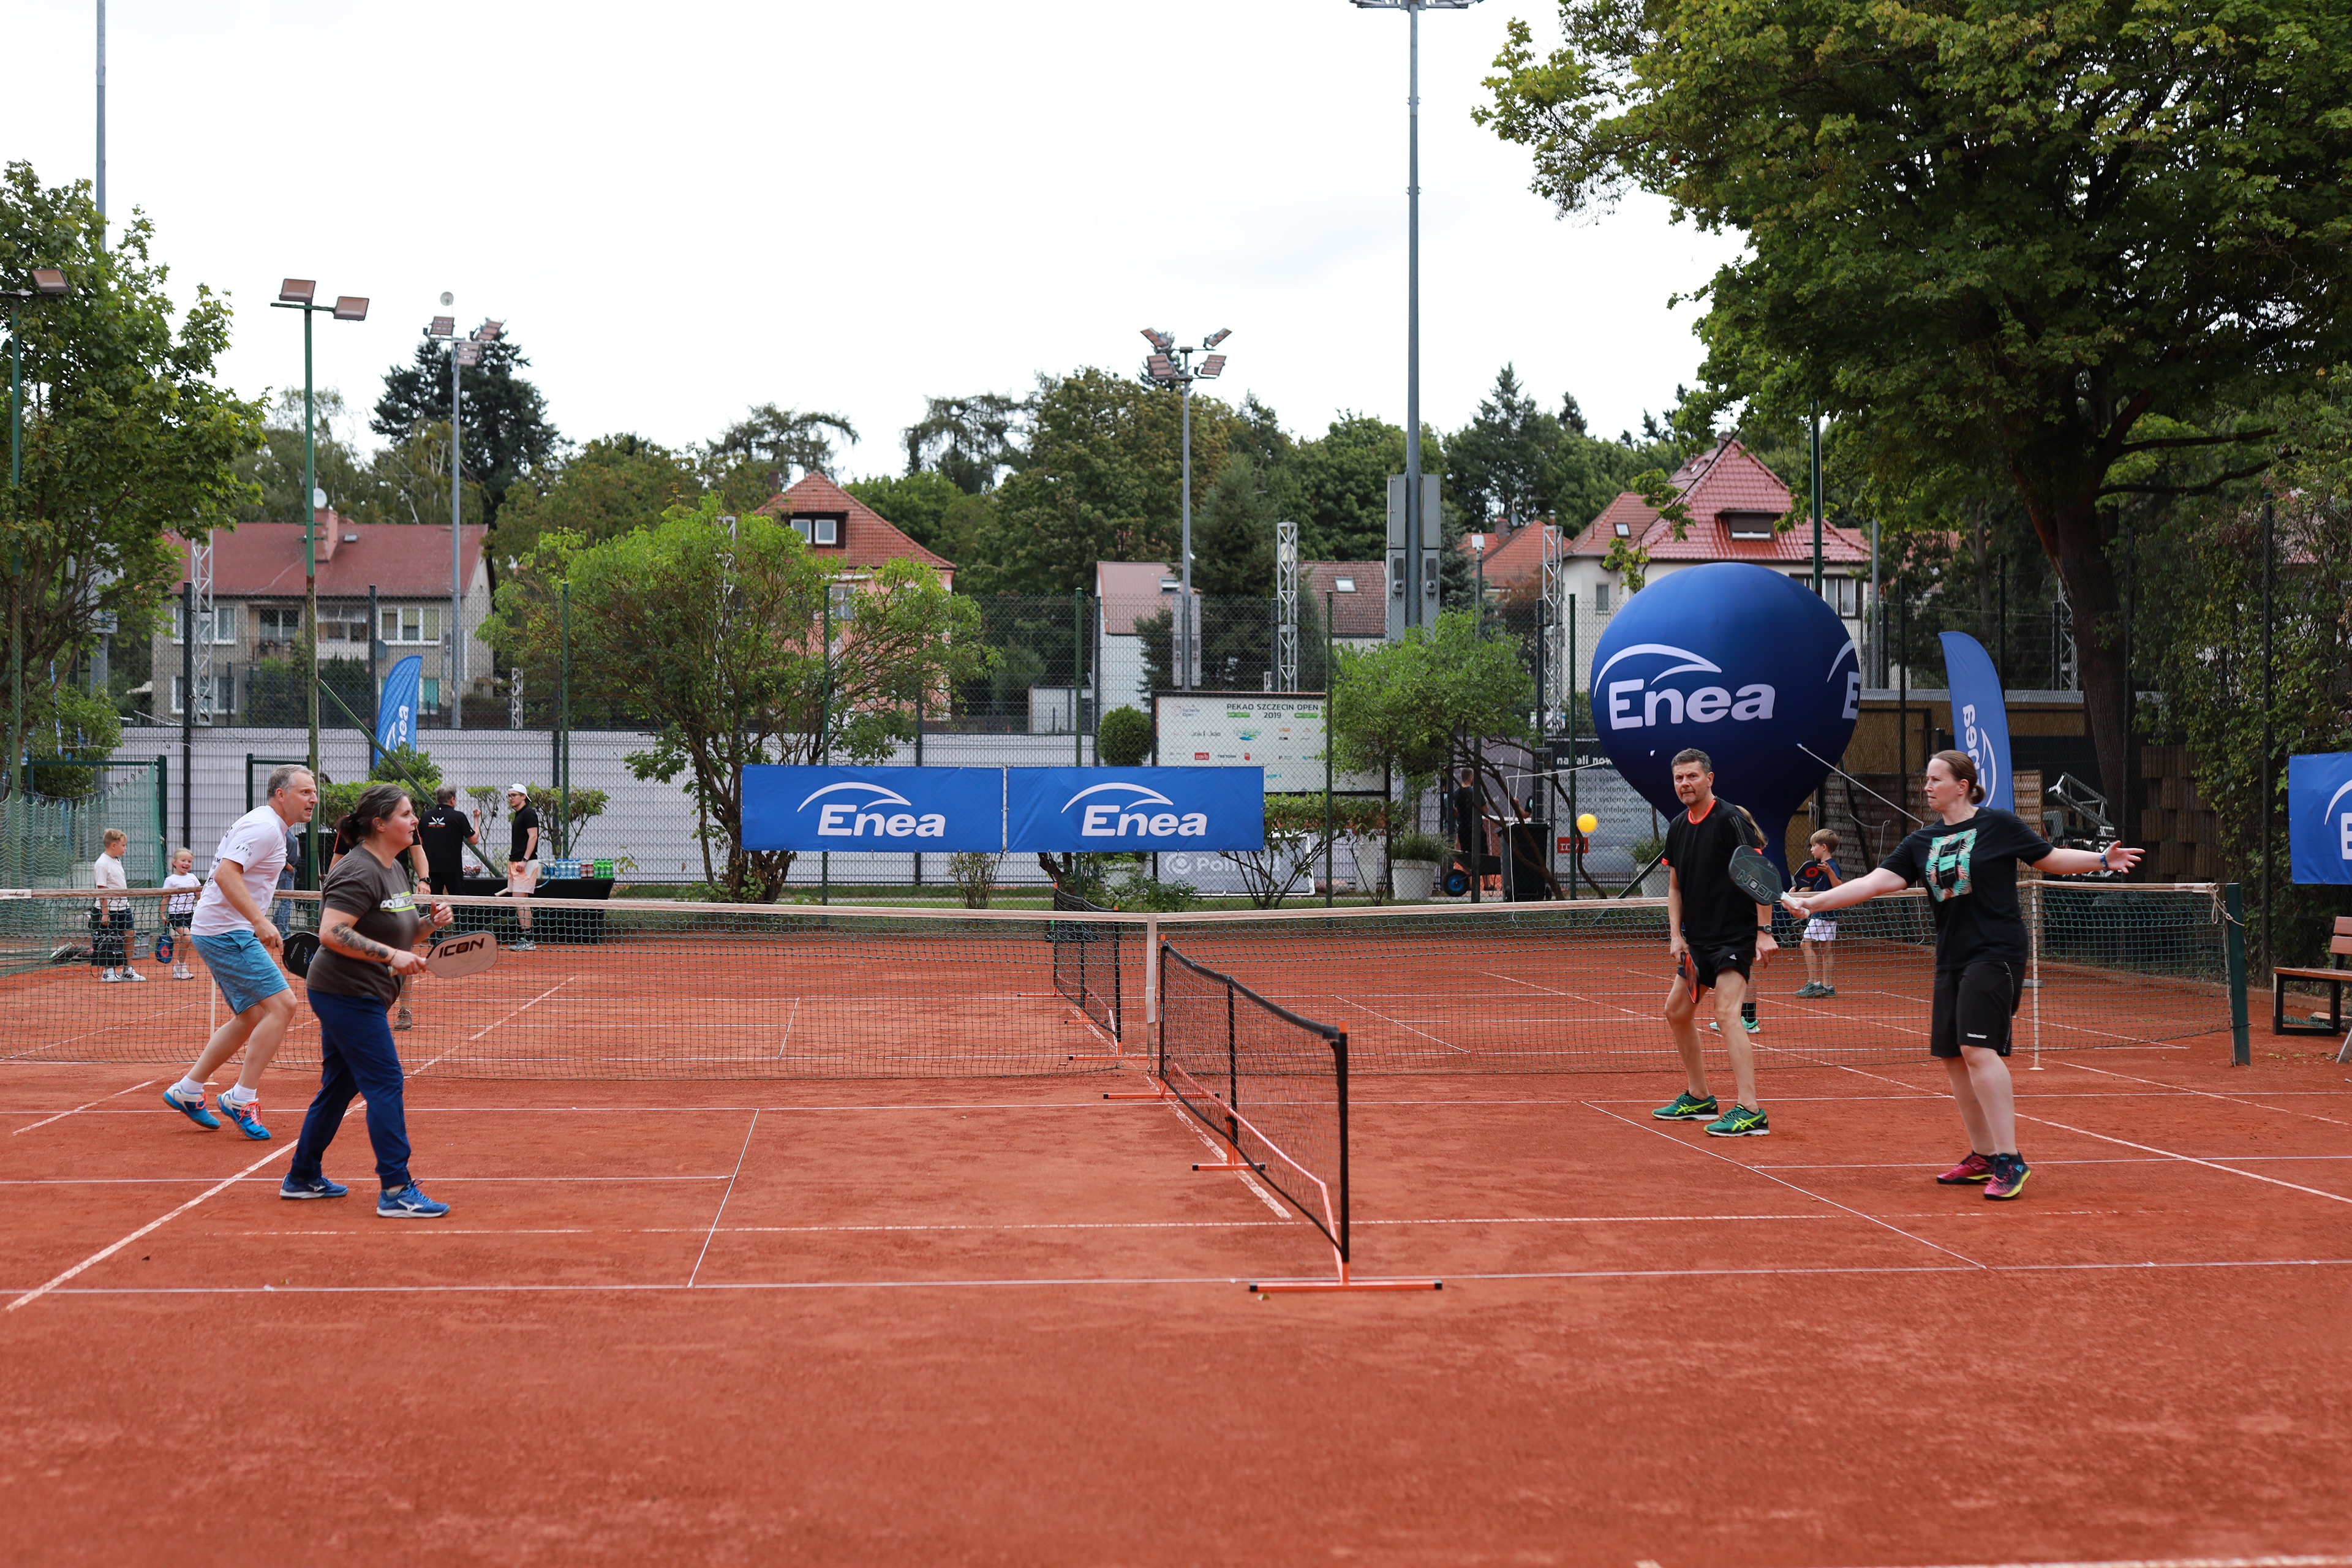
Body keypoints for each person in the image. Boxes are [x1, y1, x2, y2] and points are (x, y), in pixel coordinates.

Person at [1783, 750, 2143, 1200]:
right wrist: (1811, 903)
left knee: (1976, 1048)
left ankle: (2010, 1159)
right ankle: (1984, 1155)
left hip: (1996, 951)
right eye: (1927, 779)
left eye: (1936, 779)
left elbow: (2049, 858)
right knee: (1954, 1056)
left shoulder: (1999, 824)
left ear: (1963, 785)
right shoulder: (1920, 842)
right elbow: (1873, 883)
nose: (1927, 786)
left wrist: (2101, 860)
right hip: (1951, 956)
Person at [282, 782, 454, 1218]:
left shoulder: (393, 867)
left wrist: (429, 925)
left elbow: (399, 931)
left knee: (340, 1086)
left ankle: (302, 1176)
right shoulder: (358, 870)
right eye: (406, 814)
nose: (415, 821)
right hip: (345, 992)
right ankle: (396, 1189)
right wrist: (393, 956)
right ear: (379, 824)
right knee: (386, 1081)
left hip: (365, 992)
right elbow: (331, 932)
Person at [160, 764, 317, 1139]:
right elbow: (226, 874)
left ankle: (189, 1089)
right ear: (281, 794)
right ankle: (241, 1098)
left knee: (252, 1016)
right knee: (284, 1006)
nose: (313, 799)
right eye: (305, 792)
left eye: (314, 792)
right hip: (226, 930)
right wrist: (260, 922)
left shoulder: (270, 827)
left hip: (222, 928)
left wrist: (254, 922)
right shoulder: (265, 827)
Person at [1650, 748, 1777, 1137]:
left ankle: (1751, 1110)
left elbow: (1759, 873)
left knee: (1726, 1014)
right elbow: (1675, 887)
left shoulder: (1730, 819)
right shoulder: (1678, 826)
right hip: (1699, 943)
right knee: (1677, 1011)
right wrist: (1676, 936)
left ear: (1709, 779)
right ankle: (1700, 1098)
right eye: (1679, 778)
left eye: (1692, 776)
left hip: (1734, 939)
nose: (1685, 784)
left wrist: (1764, 931)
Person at [1793, 829, 1845, 998]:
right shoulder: (1817, 868)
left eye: (1813, 846)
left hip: (1824, 913)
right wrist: (1796, 892)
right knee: (1826, 949)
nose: (1811, 849)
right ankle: (1828, 987)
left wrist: (1830, 872)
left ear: (1824, 847)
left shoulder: (1832, 867)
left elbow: (1839, 888)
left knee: (1805, 944)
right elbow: (1810, 887)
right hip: (1823, 913)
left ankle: (1814, 983)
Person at [91, 829, 143, 982]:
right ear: (114, 845)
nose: (125, 848)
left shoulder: (117, 860)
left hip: (123, 907)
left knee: (130, 935)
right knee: (109, 940)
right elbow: (102, 889)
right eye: (124, 845)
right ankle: (108, 972)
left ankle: (128, 970)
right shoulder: (102, 864)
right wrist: (105, 913)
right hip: (108, 909)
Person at [415, 786, 481, 897]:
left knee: (433, 901)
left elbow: (419, 841)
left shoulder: (426, 815)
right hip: (453, 868)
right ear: (452, 799)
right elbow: (474, 839)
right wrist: (476, 819)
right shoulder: (458, 816)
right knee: (458, 901)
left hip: (431, 867)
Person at [498, 783, 541, 951]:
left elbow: (533, 837)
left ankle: (528, 940)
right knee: (521, 902)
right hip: (516, 862)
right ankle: (526, 938)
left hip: (525, 864)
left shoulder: (529, 813)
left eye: (514, 795)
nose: (511, 798)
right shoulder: (519, 814)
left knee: (521, 902)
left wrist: (524, 860)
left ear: (523, 797)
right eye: (509, 796)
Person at [162, 846, 202, 981]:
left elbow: (199, 896)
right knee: (187, 937)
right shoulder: (170, 880)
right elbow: (165, 898)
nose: (186, 864)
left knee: (191, 938)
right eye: (183, 860)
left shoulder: (192, 877)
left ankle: (180, 966)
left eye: (189, 861)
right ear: (174, 862)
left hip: (191, 913)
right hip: (176, 914)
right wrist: (162, 915)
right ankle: (180, 966)